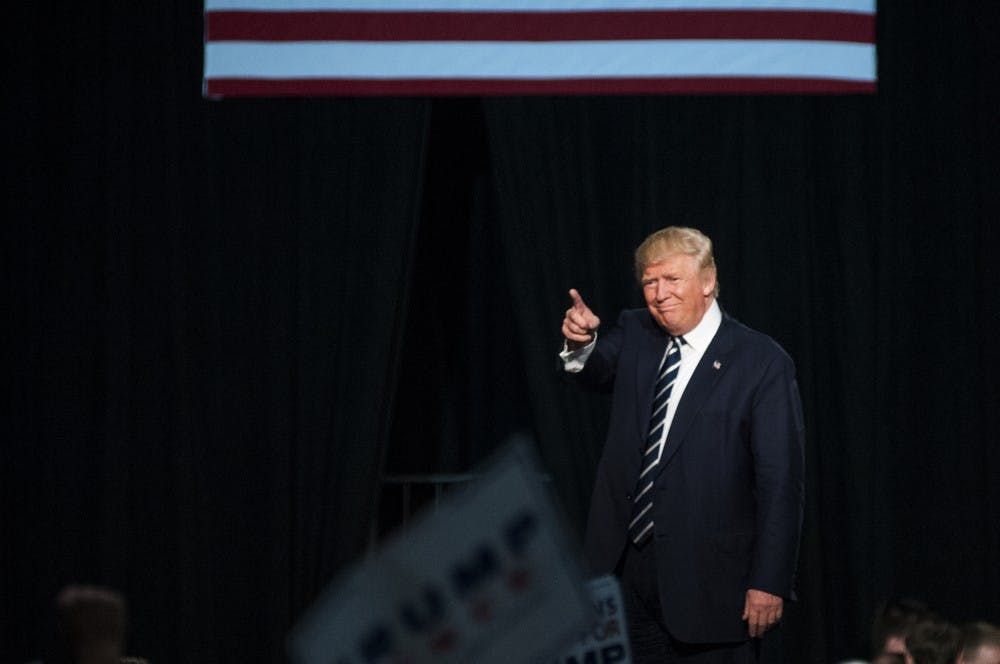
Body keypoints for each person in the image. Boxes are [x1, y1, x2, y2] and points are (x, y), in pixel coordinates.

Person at [560, 226, 805, 663]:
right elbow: (596, 367)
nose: (658, 293)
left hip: (710, 584)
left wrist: (770, 579)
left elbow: (780, 482)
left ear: (708, 281)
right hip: (622, 573)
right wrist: (581, 343)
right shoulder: (636, 331)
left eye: (672, 279)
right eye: (650, 282)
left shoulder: (761, 362)